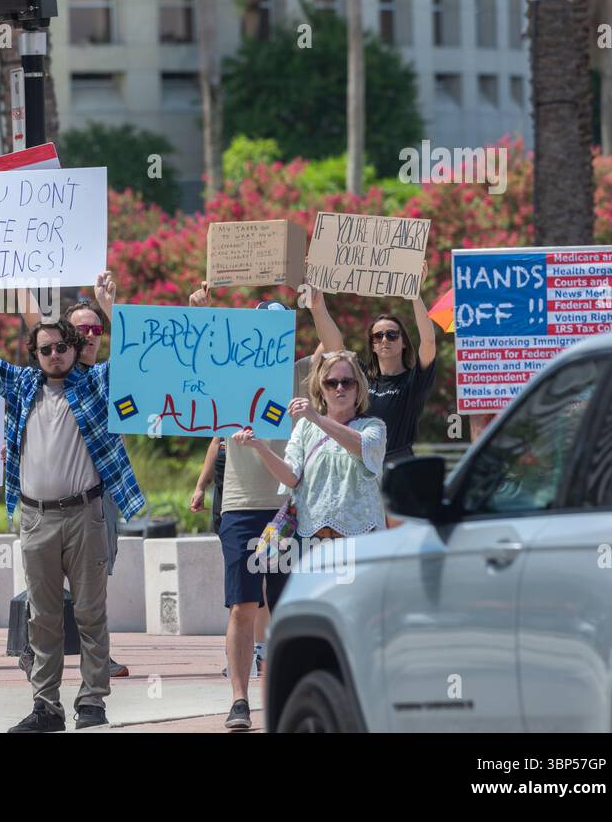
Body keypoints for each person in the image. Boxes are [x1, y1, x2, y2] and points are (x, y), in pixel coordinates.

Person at [0, 271, 145, 732]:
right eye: (46, 349)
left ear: (74, 349)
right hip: (35, 519)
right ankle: (46, 707)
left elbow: (137, 355)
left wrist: (111, 305)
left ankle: (92, 702)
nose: (55, 355)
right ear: (35, 355)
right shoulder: (21, 385)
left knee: (91, 613)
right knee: (43, 618)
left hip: (87, 515)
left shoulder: (96, 385)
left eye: (62, 347)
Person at [185, 284, 321, 730]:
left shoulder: (302, 372)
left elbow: (336, 348)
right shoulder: (231, 372)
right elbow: (193, 361)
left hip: (288, 506)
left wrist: (318, 304)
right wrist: (202, 314)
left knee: (286, 605)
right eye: (262, 325)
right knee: (243, 606)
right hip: (242, 507)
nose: (270, 334)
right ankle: (240, 701)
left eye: (279, 326)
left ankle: (286, 694)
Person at [21, 290, 129, 678]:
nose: (89, 336)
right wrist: (19, 286)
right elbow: (37, 330)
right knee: (47, 604)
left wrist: (111, 303)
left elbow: (138, 353)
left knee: (91, 597)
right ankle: (43, 674)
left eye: (96, 328)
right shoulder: (40, 379)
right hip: (43, 512)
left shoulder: (100, 378)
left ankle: (93, 685)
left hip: (98, 499)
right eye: (80, 329)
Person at [234, 350, 387, 540]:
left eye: (347, 382)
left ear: (358, 388)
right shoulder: (305, 426)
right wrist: (260, 448)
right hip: (313, 538)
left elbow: (360, 446)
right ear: (321, 391)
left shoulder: (373, 427)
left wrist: (316, 417)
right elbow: (291, 477)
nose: (339, 388)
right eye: (331, 383)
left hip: (362, 536)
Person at [313, 274, 438, 464]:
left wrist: (415, 294)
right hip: (359, 465)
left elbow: (428, 342)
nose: (384, 340)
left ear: (403, 342)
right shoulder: (360, 375)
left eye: (392, 335)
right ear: (372, 345)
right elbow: (334, 345)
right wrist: (317, 306)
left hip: (397, 468)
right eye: (378, 336)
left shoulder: (413, 380)